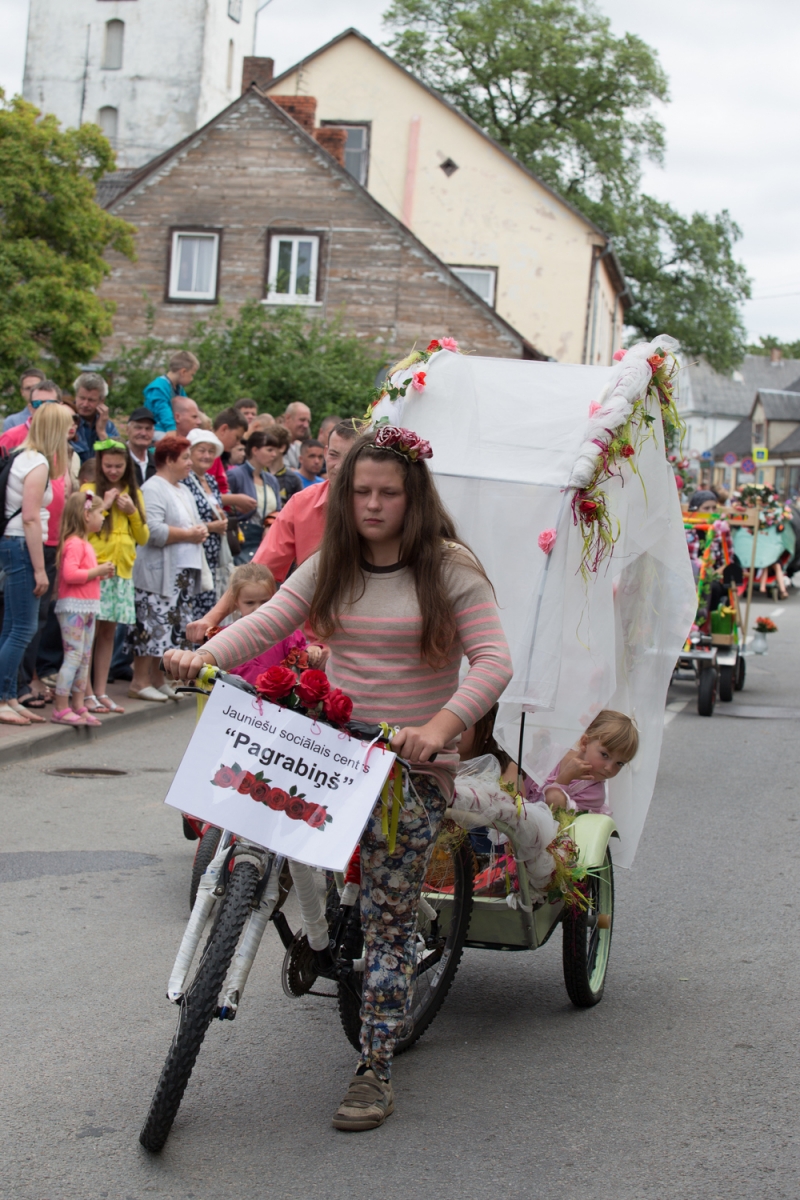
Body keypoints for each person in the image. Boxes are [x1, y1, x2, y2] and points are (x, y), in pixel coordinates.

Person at [165, 426, 513, 1131]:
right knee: (261, 814)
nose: (373, 505)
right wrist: (201, 656)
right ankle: (311, 931)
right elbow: (268, 622)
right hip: (332, 754)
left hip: (407, 767)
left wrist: (440, 730)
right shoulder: (335, 562)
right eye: (361, 492)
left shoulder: (449, 568)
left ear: (414, 498)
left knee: (387, 919)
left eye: (389, 493)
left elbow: (493, 662)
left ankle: (374, 1067)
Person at [186, 422, 357, 641]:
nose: (340, 466)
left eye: (350, 457)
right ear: (325, 453)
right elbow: (257, 572)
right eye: (334, 455)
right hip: (315, 642)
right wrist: (211, 619)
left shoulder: (382, 507)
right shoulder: (301, 504)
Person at [0, 404, 72, 726]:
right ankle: (2, 697)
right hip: (21, 546)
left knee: (12, 626)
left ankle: (9, 695)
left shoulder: (23, 456)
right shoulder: (37, 462)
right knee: (23, 628)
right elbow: (30, 517)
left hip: (16, 545)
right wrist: (40, 568)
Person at [127, 435, 208, 703]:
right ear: (169, 460)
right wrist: (189, 534)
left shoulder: (182, 489)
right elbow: (153, 531)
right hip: (158, 572)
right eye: (185, 458)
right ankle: (139, 681)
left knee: (170, 629)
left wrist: (198, 532)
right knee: (151, 626)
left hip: (181, 573)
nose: (189, 463)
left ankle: (158, 679)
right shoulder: (153, 488)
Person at [17, 405, 81, 711]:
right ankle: (21, 683)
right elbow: (30, 516)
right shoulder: (36, 460)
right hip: (34, 545)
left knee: (39, 619)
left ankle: (28, 678)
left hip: (54, 543)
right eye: (68, 423)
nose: (73, 427)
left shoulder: (63, 457)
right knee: (25, 622)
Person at [80, 440, 149, 714]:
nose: (112, 470)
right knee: (87, 633)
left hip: (121, 571)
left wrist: (132, 513)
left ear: (127, 466)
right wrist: (105, 506)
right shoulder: (88, 490)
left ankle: (100, 691)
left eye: (118, 466)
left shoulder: (134, 492)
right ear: (99, 464)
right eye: (107, 465)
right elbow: (82, 529)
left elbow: (143, 537)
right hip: (96, 568)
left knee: (108, 632)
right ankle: (85, 694)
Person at [50, 492, 115, 726]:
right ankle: (60, 706)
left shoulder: (84, 543)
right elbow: (70, 574)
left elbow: (80, 575)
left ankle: (78, 704)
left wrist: (99, 574)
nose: (102, 519)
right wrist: (97, 572)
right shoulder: (74, 544)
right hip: (73, 608)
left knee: (84, 657)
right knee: (74, 655)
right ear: (87, 515)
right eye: (99, 513)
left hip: (86, 606)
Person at [207, 561, 326, 685]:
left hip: (275, 701)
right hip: (237, 701)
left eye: (264, 602)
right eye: (249, 603)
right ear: (236, 601)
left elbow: (300, 651)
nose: (258, 609)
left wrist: (310, 650)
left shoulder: (285, 633)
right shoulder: (225, 636)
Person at [526, 710, 639, 814]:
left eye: (620, 763)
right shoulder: (553, 753)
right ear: (585, 743)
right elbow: (520, 786)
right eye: (605, 755)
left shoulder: (593, 794)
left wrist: (565, 778)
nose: (609, 768)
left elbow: (554, 812)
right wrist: (534, 754)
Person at [181, 428, 230, 622]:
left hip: (214, 557)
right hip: (195, 554)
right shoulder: (185, 480)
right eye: (201, 450)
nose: (207, 455)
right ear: (190, 453)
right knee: (194, 609)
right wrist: (212, 527)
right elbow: (185, 517)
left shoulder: (210, 479)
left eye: (211, 451)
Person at [227, 430, 282, 562]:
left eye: (275, 450)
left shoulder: (271, 480)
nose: (274, 455)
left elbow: (279, 510)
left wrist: (269, 525)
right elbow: (224, 505)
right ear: (255, 450)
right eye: (269, 450)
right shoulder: (236, 475)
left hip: (267, 539)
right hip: (242, 540)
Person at [143, 351, 199, 435]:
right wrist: (171, 429)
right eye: (192, 375)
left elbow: (188, 408)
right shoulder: (159, 387)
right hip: (157, 429)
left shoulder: (178, 388)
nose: (192, 379)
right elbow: (163, 410)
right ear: (183, 372)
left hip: (171, 428)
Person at [0, 380, 63, 453]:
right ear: (30, 407)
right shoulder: (11, 437)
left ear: (60, 406)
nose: (42, 408)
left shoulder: (65, 436)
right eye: (37, 403)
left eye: (49, 403)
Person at [71, 373, 119, 463]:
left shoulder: (108, 426)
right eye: (82, 398)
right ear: (76, 396)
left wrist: (101, 433)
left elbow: (114, 459)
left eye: (91, 400)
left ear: (102, 401)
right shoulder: (67, 422)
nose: (85, 404)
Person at [262, 424, 302, 505]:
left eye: (270, 446)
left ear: (282, 448)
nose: (264, 449)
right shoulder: (256, 474)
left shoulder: (293, 480)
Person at [126, 408, 157, 486]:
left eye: (148, 429)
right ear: (127, 430)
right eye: (138, 428)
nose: (143, 433)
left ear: (153, 433)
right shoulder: (118, 459)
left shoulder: (157, 463)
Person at [280, 402, 312, 469]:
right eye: (302, 420)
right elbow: (283, 471)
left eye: (308, 421)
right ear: (288, 418)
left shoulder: (299, 446)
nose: (306, 425)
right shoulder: (276, 443)